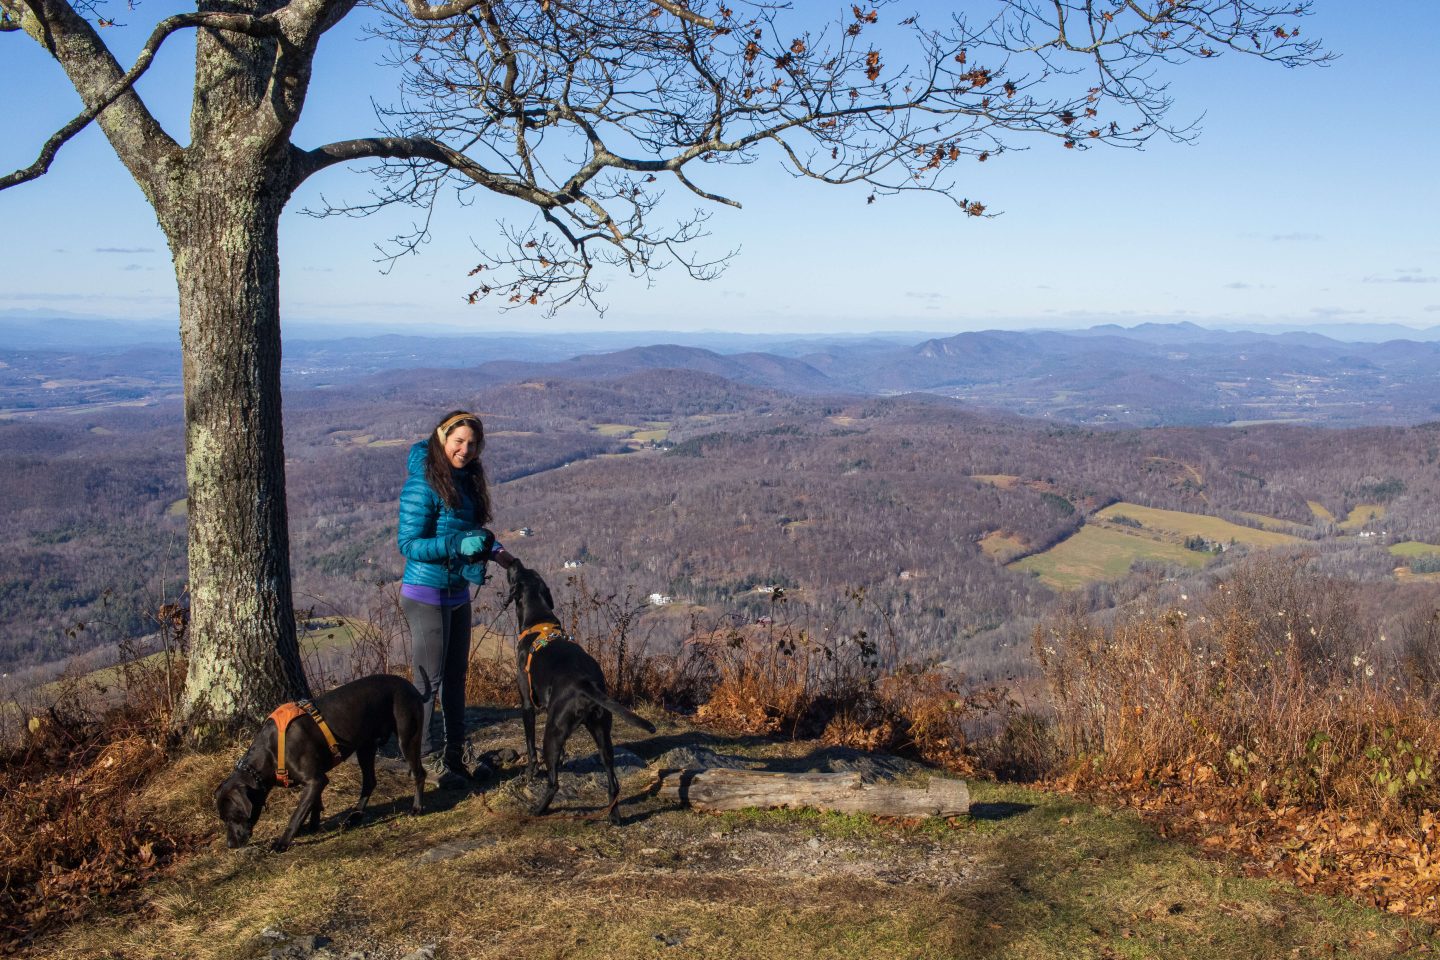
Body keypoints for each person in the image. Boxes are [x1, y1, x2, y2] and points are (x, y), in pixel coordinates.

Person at [396, 409, 515, 789]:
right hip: (425, 591)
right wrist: (454, 545)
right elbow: (408, 544)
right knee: (428, 681)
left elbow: (472, 532)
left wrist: (501, 555)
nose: (465, 449)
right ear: (441, 437)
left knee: (456, 678)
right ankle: (425, 758)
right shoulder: (423, 484)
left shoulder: (465, 481)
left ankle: (455, 752)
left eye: (472, 444)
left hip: (456, 592)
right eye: (458, 441)